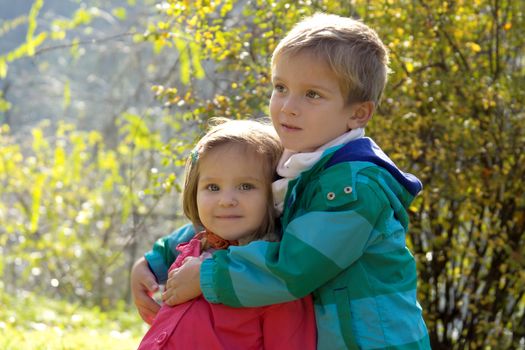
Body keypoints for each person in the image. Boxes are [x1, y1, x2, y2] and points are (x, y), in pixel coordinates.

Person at [132, 13, 431, 349]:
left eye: (312, 95)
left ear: (358, 113)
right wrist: (157, 260)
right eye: (281, 88)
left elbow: (295, 267)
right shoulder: (299, 162)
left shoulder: (353, 187)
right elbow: (241, 214)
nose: (288, 107)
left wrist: (206, 276)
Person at [136, 118, 316, 349]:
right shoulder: (193, 248)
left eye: (245, 186)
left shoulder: (271, 276)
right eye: (213, 187)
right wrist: (141, 268)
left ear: (276, 194)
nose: (226, 200)